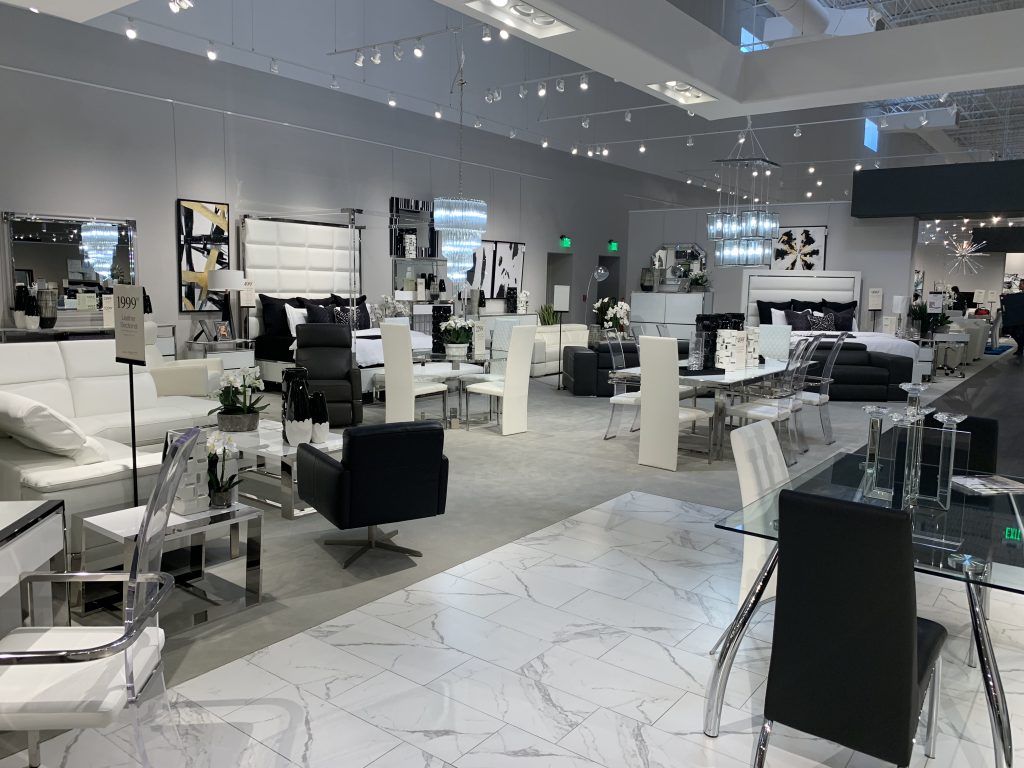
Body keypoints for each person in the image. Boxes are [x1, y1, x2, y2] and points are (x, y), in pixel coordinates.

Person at [1001, 289, 1024, 358]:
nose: (1020, 285)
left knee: (1020, 333)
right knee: (1011, 331)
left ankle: (1020, 348)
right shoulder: (1018, 295)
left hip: (1021, 318)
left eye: (1022, 284)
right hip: (1016, 318)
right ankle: (1021, 346)